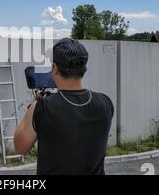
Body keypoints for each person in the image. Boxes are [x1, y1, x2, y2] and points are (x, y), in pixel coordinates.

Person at [14, 38, 114, 175]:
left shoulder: (42, 107)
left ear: (54, 68)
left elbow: (20, 148)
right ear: (84, 68)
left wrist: (31, 109)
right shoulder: (106, 103)